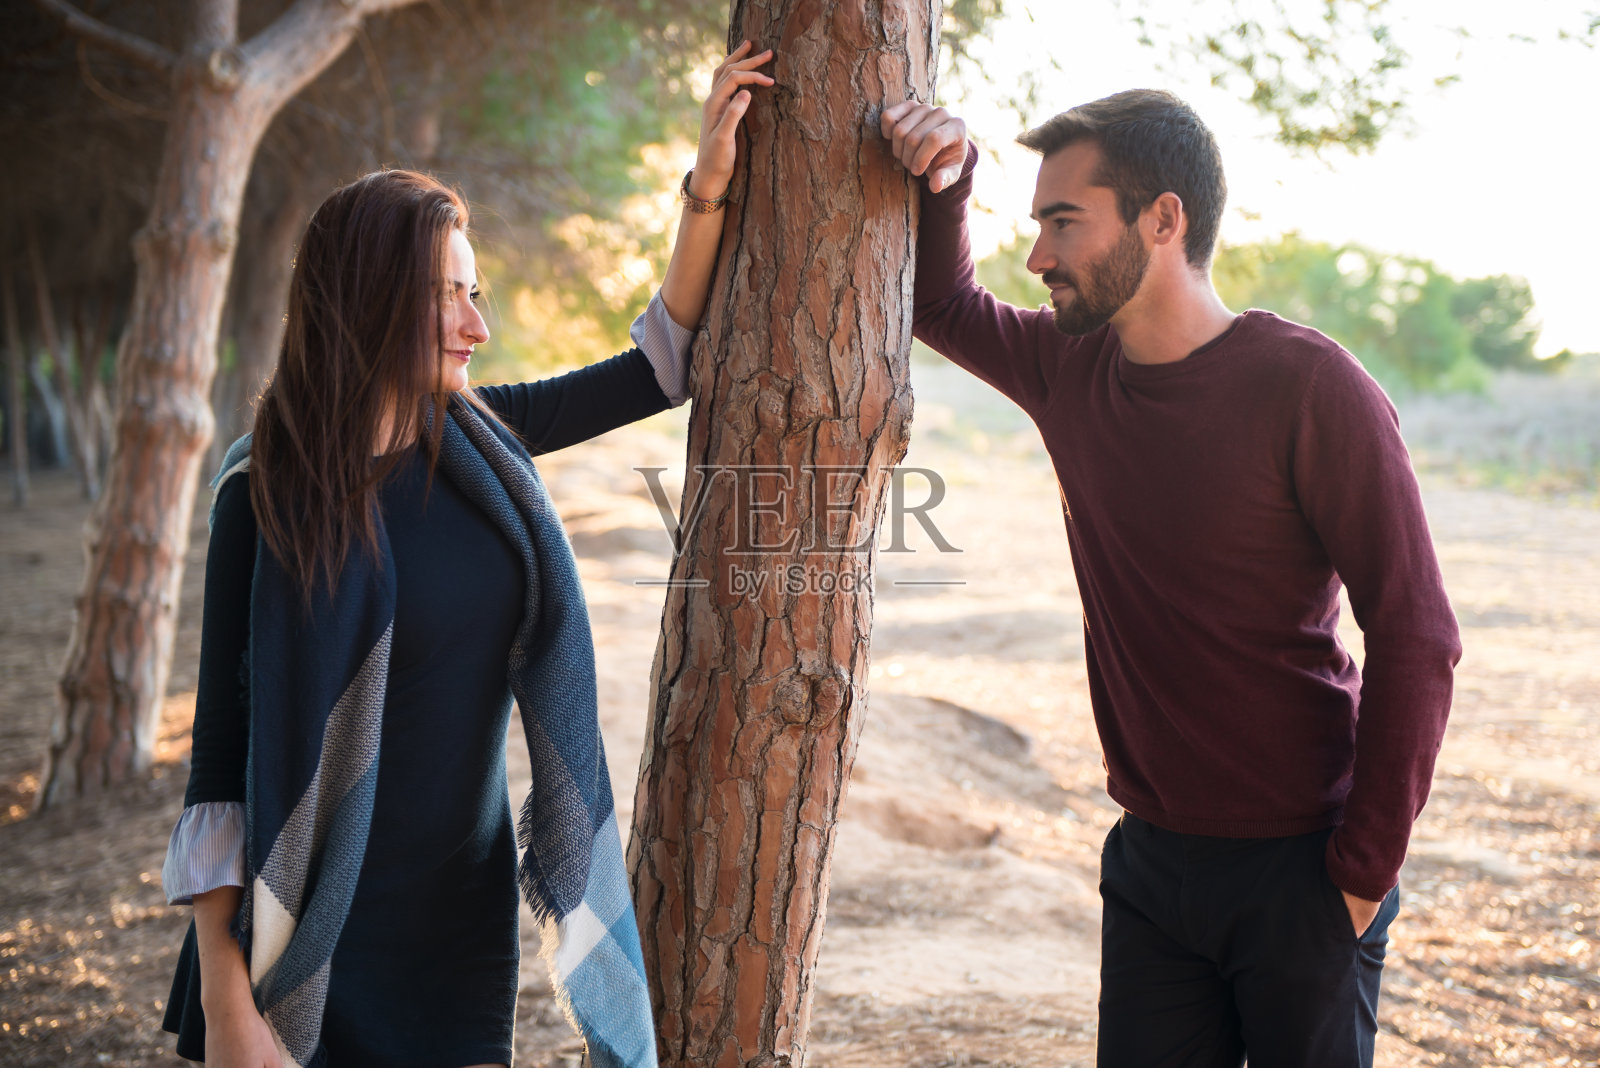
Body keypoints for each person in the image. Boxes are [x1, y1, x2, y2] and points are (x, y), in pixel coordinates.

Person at [158, 43, 775, 1068]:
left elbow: (664, 359)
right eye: (449, 293)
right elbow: (220, 758)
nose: (477, 326)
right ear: (366, 293)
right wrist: (228, 1003)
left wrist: (706, 185)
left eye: (476, 292)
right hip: (298, 922)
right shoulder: (258, 486)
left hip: (455, 921)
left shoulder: (482, 440)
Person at [879, 91, 1462, 1066]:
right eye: (1036, 226)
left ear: (1162, 219)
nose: (1037, 258)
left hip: (1301, 870)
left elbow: (1415, 634)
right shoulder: (1067, 369)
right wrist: (947, 181)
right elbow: (939, 303)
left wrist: (1359, 872)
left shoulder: (1309, 388)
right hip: (1150, 865)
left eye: (1063, 222)